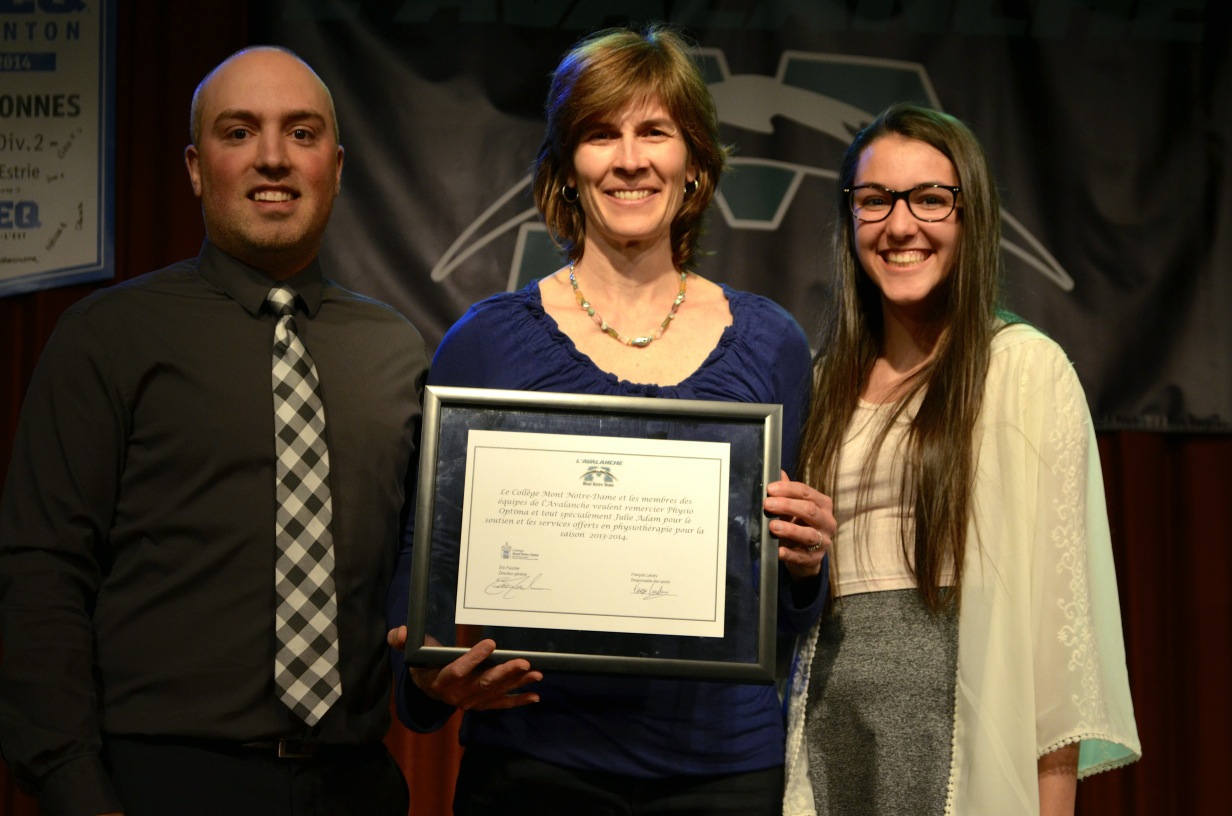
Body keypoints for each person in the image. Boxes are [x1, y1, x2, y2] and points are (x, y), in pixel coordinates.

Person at [0, 46, 534, 816]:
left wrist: (429, 674)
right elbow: (43, 571)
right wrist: (75, 790)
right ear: (195, 167)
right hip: (160, 784)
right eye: (239, 132)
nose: (274, 157)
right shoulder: (106, 336)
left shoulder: (395, 350)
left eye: (302, 133)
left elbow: (414, 569)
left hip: (353, 785)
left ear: (337, 168)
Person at [386, 25, 835, 815]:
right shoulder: (486, 344)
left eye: (655, 131)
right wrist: (424, 677)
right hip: (536, 762)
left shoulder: (772, 344)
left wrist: (805, 564)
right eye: (601, 134)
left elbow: (789, 606)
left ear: (694, 164)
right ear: (566, 169)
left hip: (723, 774)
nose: (630, 159)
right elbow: (424, 564)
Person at [782, 103, 1142, 816]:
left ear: (970, 216)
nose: (899, 225)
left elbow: (1058, 634)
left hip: (962, 732)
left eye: (930, 199)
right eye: (875, 200)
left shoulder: (1024, 370)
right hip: (829, 729)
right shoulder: (818, 385)